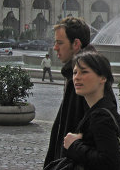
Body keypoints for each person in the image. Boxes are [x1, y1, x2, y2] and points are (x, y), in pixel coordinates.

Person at [44, 17, 93, 167]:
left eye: (59, 43)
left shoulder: (87, 80)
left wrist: (72, 149)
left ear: (76, 44)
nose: (55, 48)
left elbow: (99, 138)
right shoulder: (76, 74)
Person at [63, 51, 120, 169]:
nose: (77, 77)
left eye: (84, 72)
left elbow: (109, 162)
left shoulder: (101, 115)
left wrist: (73, 145)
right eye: (75, 72)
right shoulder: (102, 108)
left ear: (103, 78)